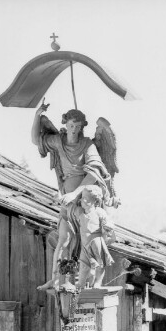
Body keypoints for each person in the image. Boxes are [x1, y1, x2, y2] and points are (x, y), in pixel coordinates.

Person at [31, 100, 109, 290]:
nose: (74, 129)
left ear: (82, 127)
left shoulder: (88, 144)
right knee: (63, 239)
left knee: (86, 240)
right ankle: (56, 278)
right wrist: (36, 116)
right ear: (65, 124)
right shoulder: (58, 141)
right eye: (71, 125)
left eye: (78, 126)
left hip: (84, 200)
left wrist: (75, 193)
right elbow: (36, 140)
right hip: (66, 200)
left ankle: (85, 281)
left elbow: (94, 173)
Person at [75, 185, 115, 289]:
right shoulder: (80, 212)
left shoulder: (99, 211)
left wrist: (107, 228)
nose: (82, 200)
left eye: (86, 198)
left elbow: (107, 223)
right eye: (82, 197)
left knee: (100, 263)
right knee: (83, 264)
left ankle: (98, 281)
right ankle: (81, 282)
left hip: (96, 241)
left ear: (95, 200)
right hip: (85, 243)